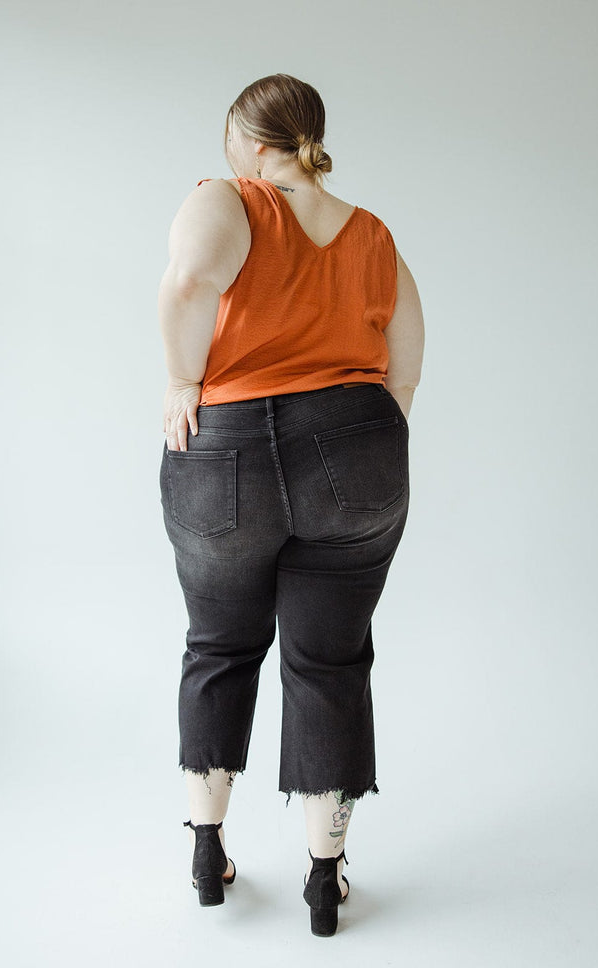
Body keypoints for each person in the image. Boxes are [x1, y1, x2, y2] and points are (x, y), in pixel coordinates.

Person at [157, 73, 425, 936]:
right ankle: (323, 876)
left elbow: (190, 282)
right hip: (359, 440)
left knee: (220, 643)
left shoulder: (227, 199)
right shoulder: (374, 234)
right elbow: (404, 363)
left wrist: (180, 381)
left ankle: (207, 852)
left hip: (225, 447)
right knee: (329, 660)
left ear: (247, 139)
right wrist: (359, 440)